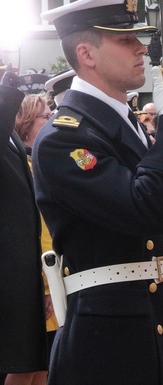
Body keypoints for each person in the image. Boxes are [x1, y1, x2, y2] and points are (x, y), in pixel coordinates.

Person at [33, 0, 163, 385]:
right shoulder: (66, 136)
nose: (142, 49)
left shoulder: (121, 124)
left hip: (151, 317)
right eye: (126, 39)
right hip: (106, 335)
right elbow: (146, 208)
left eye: (139, 38)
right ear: (86, 54)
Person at [1, 74, 49, 385]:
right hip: (7, 271)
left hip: (25, 267)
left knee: (35, 361)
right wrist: (9, 88)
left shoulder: (13, 140)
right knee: (19, 362)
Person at [15, 92, 58, 385]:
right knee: (25, 366)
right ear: (28, 124)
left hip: (51, 275)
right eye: (45, 116)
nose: (52, 119)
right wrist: (47, 283)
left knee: (44, 366)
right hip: (38, 278)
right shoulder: (24, 167)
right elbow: (39, 229)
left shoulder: (41, 162)